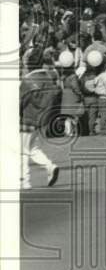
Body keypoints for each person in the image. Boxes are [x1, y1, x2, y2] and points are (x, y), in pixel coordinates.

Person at [20, 49, 61, 189]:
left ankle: (24, 180)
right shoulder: (48, 79)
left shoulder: (27, 81)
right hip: (41, 119)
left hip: (26, 119)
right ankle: (50, 166)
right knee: (33, 149)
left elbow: (20, 102)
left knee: (23, 150)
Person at [81, 49, 106, 136]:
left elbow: (91, 83)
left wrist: (94, 89)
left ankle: (97, 129)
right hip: (105, 98)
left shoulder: (100, 75)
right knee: (105, 114)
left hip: (99, 97)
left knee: (98, 114)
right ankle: (104, 130)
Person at [56, 50, 85, 137]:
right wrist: (80, 94)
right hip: (72, 97)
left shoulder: (62, 76)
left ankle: (68, 131)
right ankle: (72, 131)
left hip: (65, 96)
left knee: (67, 116)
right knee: (74, 116)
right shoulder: (73, 77)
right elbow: (75, 87)